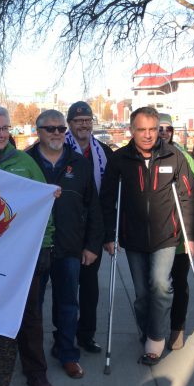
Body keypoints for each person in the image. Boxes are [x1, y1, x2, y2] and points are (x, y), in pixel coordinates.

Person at [0, 105, 59, 386]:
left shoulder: (24, 162)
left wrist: (43, 244)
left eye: (5, 128)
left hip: (20, 256)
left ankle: (36, 373)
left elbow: (44, 206)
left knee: (29, 314)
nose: (1, 134)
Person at [99, 106, 194, 366]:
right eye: (141, 130)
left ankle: (155, 338)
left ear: (159, 130)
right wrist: (110, 235)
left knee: (161, 284)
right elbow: (108, 200)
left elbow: (188, 199)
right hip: (132, 237)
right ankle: (147, 329)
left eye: (152, 130)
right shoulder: (119, 159)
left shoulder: (174, 158)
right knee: (142, 293)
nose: (147, 135)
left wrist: (192, 236)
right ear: (131, 131)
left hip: (166, 236)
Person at [26, 109, 103, 379]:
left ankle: (67, 352)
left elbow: (93, 207)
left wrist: (92, 245)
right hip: (35, 248)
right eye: (51, 129)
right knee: (34, 306)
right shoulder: (26, 162)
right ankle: (33, 360)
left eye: (61, 129)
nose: (58, 133)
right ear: (39, 132)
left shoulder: (79, 164)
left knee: (68, 304)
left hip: (70, 247)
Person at [64, 101, 114, 353]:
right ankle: (65, 336)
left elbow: (110, 198)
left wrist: (108, 236)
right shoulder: (59, 149)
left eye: (87, 120)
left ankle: (87, 335)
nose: (83, 124)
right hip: (67, 231)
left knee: (90, 287)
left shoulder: (104, 152)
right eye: (78, 120)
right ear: (70, 124)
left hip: (94, 231)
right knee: (67, 287)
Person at [158, 114, 194, 351]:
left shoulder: (184, 158)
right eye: (159, 129)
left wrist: (193, 231)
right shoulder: (146, 158)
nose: (164, 133)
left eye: (168, 128)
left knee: (178, 282)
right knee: (155, 285)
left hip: (178, 237)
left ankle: (177, 328)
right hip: (155, 237)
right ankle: (153, 331)